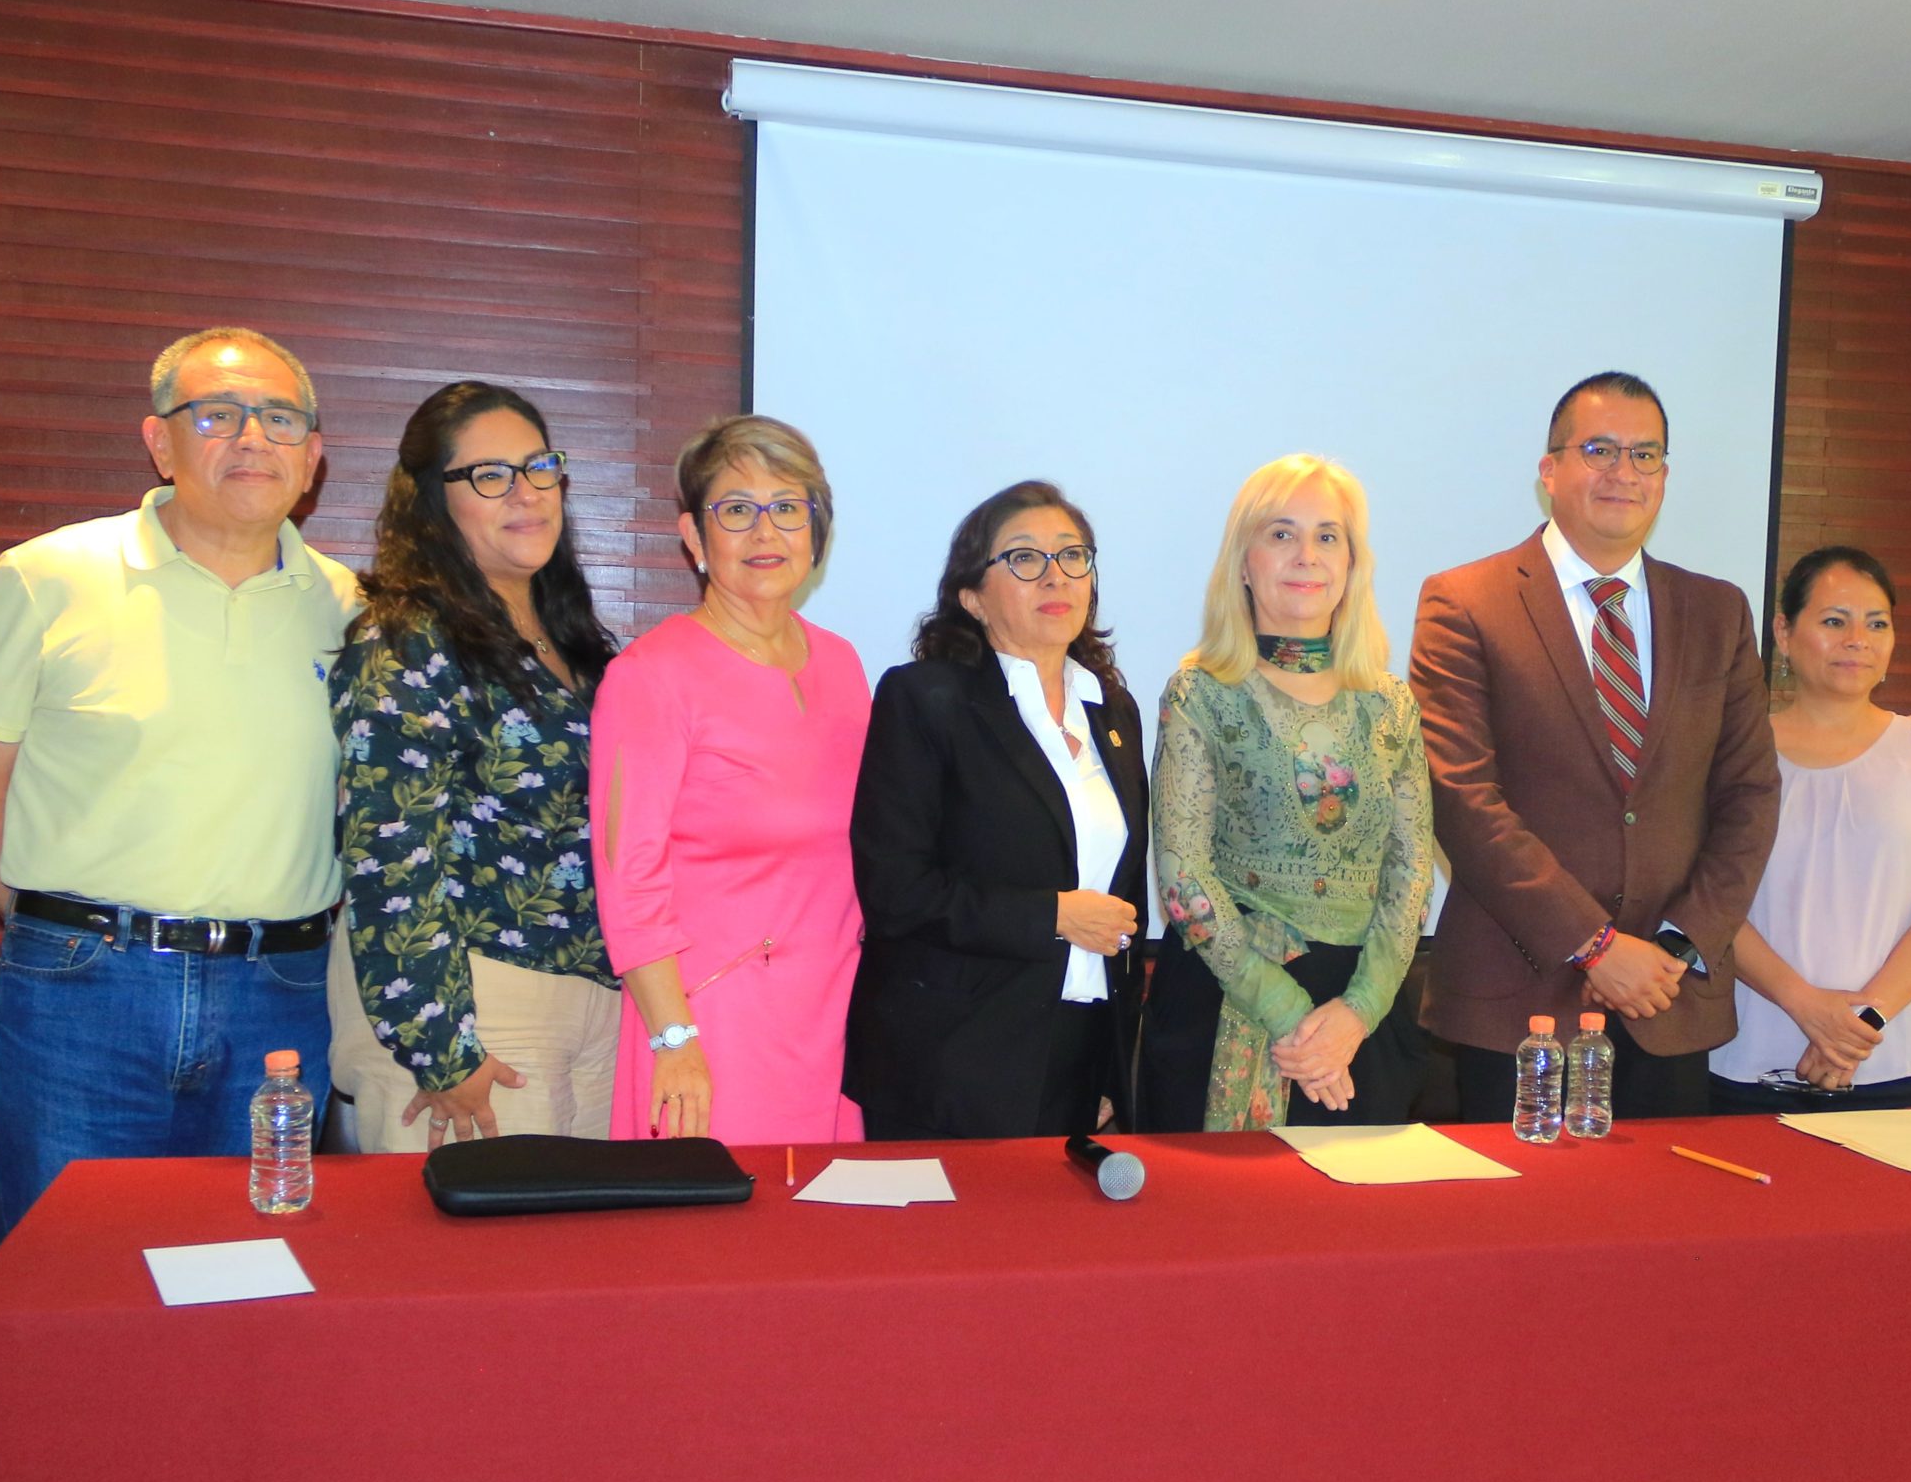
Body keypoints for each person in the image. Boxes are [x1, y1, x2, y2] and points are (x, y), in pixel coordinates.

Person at [0, 327, 359, 1244]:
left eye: (280, 418)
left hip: (279, 998)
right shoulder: (48, 576)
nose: (252, 437)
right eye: (217, 415)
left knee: (249, 1271)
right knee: (62, 1270)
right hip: (83, 993)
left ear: (313, 457)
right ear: (159, 441)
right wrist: (70, 936)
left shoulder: (352, 610)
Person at [1410, 372, 1779, 1123]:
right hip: (1517, 1003)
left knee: (1665, 1201)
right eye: (1599, 449)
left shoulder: (1718, 611)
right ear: (1549, 471)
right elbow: (1462, 799)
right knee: (1517, 1203)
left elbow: (1750, 794)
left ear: (1665, 477)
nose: (1624, 472)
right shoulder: (1465, 601)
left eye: (1645, 454)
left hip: (1668, 1001)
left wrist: (1677, 946)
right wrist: (1596, 945)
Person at [329, 381, 620, 1151]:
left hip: (594, 1007)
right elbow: (389, 847)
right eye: (490, 474)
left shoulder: (574, 643)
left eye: (539, 467)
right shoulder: (407, 640)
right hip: (470, 1011)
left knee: (593, 1230)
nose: (525, 492)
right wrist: (441, 1045)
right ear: (433, 500)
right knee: (474, 1232)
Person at [590, 415, 869, 1143]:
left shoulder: (843, 664)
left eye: (788, 508)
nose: (765, 532)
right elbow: (628, 879)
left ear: (816, 531)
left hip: (837, 1012)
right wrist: (674, 1038)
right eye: (737, 510)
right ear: (694, 536)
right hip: (710, 1023)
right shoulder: (651, 676)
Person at [846, 482, 1147, 1138]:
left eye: (1072, 555)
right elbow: (896, 891)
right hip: (952, 1055)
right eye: (1024, 558)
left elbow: (1126, 899)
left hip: (1078, 1047)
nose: (1055, 575)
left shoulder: (1112, 710)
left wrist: (1112, 1064)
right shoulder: (925, 699)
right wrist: (1054, 915)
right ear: (972, 597)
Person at [1143, 456, 1433, 1130]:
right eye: (1281, 534)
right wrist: (1293, 1019)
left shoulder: (1390, 703)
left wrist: (1355, 1015)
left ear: (1352, 564)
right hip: (1227, 1003)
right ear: (1243, 564)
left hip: (1362, 1023)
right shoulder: (1200, 693)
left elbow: (1413, 871)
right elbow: (1183, 874)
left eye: (1328, 536)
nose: (1307, 555)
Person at [1710, 546, 1911, 1112]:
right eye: (1835, 621)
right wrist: (1808, 1008)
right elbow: (1712, 906)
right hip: (1754, 1052)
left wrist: (1858, 1025)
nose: (1858, 639)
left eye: (1877, 624)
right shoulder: (1730, 753)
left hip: (1896, 1055)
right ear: (1784, 633)